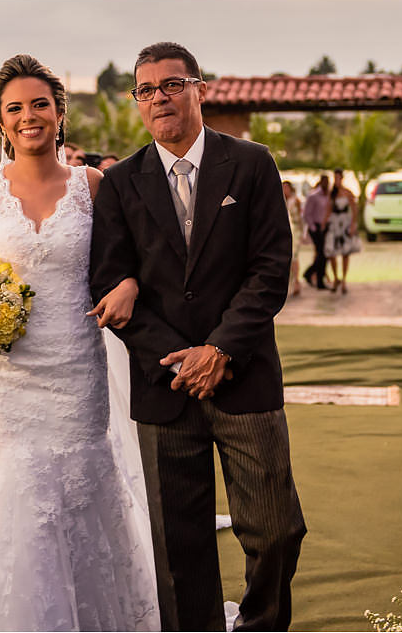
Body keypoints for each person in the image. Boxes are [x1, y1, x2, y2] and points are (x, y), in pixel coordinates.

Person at [0, 53, 158, 631]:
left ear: (59, 112)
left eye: (40, 105)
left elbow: (133, 259)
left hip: (77, 363)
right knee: (11, 490)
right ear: (0, 122)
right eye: (15, 108)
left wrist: (126, 282)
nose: (29, 117)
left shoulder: (93, 185)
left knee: (80, 485)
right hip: (6, 369)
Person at [90, 42, 306, 631]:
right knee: (178, 547)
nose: (159, 97)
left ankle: (261, 624)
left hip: (245, 377)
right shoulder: (119, 183)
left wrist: (220, 351)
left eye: (172, 84)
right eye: (147, 89)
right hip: (165, 387)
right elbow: (109, 283)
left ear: (199, 89)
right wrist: (180, 360)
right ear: (136, 102)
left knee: (277, 529)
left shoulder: (252, 163)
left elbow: (269, 270)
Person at [323, 168, 361, 294]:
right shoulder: (332, 193)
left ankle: (344, 279)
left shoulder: (348, 193)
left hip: (344, 223)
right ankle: (335, 278)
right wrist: (324, 223)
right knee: (332, 252)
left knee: (345, 252)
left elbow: (354, 209)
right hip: (334, 223)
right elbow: (328, 209)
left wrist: (352, 225)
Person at [302, 174, 330, 290]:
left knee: (324, 254)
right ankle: (315, 278)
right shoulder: (313, 196)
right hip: (316, 228)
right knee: (321, 254)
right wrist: (314, 228)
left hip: (325, 227)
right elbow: (306, 214)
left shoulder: (328, 195)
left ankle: (312, 275)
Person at [283, 180, 303, 296]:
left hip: (295, 231)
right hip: (286, 230)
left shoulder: (296, 201)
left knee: (294, 256)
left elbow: (299, 218)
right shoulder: (280, 201)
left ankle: (296, 281)